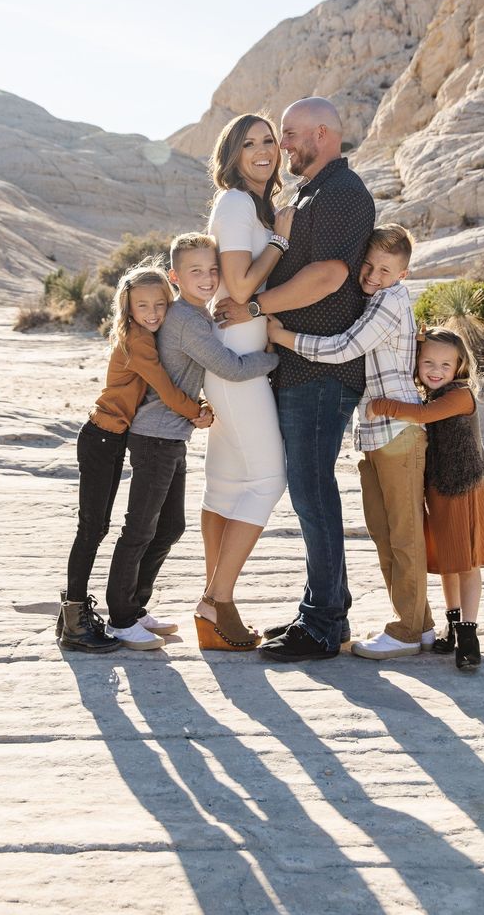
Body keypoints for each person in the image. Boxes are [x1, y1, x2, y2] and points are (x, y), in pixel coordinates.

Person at [218, 97, 375, 661]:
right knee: (310, 491)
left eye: (288, 135)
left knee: (312, 491)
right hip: (297, 367)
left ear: (324, 133)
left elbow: (329, 275)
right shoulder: (308, 192)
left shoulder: (341, 192)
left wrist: (255, 308)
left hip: (321, 371)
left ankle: (323, 624)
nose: (281, 146)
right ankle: (325, 611)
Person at [267, 223, 437, 660]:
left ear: (402, 275)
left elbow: (346, 347)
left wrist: (283, 337)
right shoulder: (377, 298)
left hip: (398, 434)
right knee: (386, 533)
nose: (373, 274)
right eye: (369, 264)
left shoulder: (391, 301)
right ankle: (421, 627)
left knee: (403, 535)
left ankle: (404, 629)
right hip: (379, 434)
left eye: (385, 269)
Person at [105, 232, 278, 651]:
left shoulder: (194, 315)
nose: (207, 277)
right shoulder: (184, 319)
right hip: (155, 436)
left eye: (213, 270)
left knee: (169, 526)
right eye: (195, 271)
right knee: (141, 528)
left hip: (172, 436)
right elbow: (232, 368)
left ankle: (137, 606)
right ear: (175, 277)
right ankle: (119, 617)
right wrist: (275, 354)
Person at [58, 257, 208, 653]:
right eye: (143, 306)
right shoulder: (138, 340)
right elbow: (166, 388)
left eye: (160, 304)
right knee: (92, 528)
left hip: (116, 438)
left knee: (122, 527)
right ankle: (75, 619)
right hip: (101, 439)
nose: (153, 313)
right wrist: (197, 413)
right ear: (128, 307)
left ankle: (124, 610)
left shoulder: (150, 334)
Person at [197, 113, 294, 650]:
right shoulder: (236, 204)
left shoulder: (255, 207)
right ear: (231, 156)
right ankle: (218, 600)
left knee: (228, 485)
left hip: (237, 356)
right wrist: (278, 243)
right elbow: (236, 286)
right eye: (249, 144)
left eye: (269, 142)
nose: (262, 151)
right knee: (267, 479)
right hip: (236, 362)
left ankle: (212, 610)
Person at [367, 326, 484, 670]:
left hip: (464, 486)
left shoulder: (460, 395)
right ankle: (453, 624)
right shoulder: (430, 394)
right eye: (428, 362)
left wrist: (381, 405)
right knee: (446, 560)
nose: (436, 370)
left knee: (466, 563)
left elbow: (423, 417)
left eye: (445, 363)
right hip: (440, 488)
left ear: (459, 366)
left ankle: (469, 634)